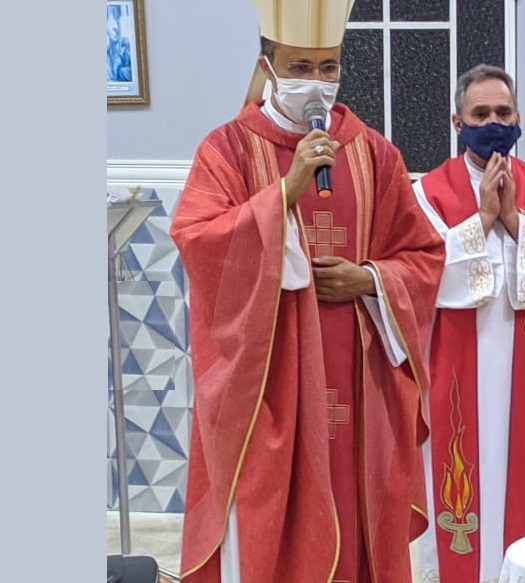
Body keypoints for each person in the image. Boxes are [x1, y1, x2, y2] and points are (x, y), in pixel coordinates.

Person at [169, 1, 446, 581]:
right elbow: (197, 238)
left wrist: (368, 279)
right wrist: (284, 196)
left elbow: (422, 255)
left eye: (327, 67)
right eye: (300, 67)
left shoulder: (373, 152)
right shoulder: (226, 150)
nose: (316, 83)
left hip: (359, 377)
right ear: (268, 67)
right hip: (271, 384)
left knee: (358, 502)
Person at [411, 63, 525, 583]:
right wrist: (483, 218)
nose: (493, 122)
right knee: (464, 478)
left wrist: (514, 219)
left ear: (519, 119)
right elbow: (426, 274)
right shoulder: (430, 191)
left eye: (503, 112)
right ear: (457, 121)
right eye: (480, 113)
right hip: (458, 360)